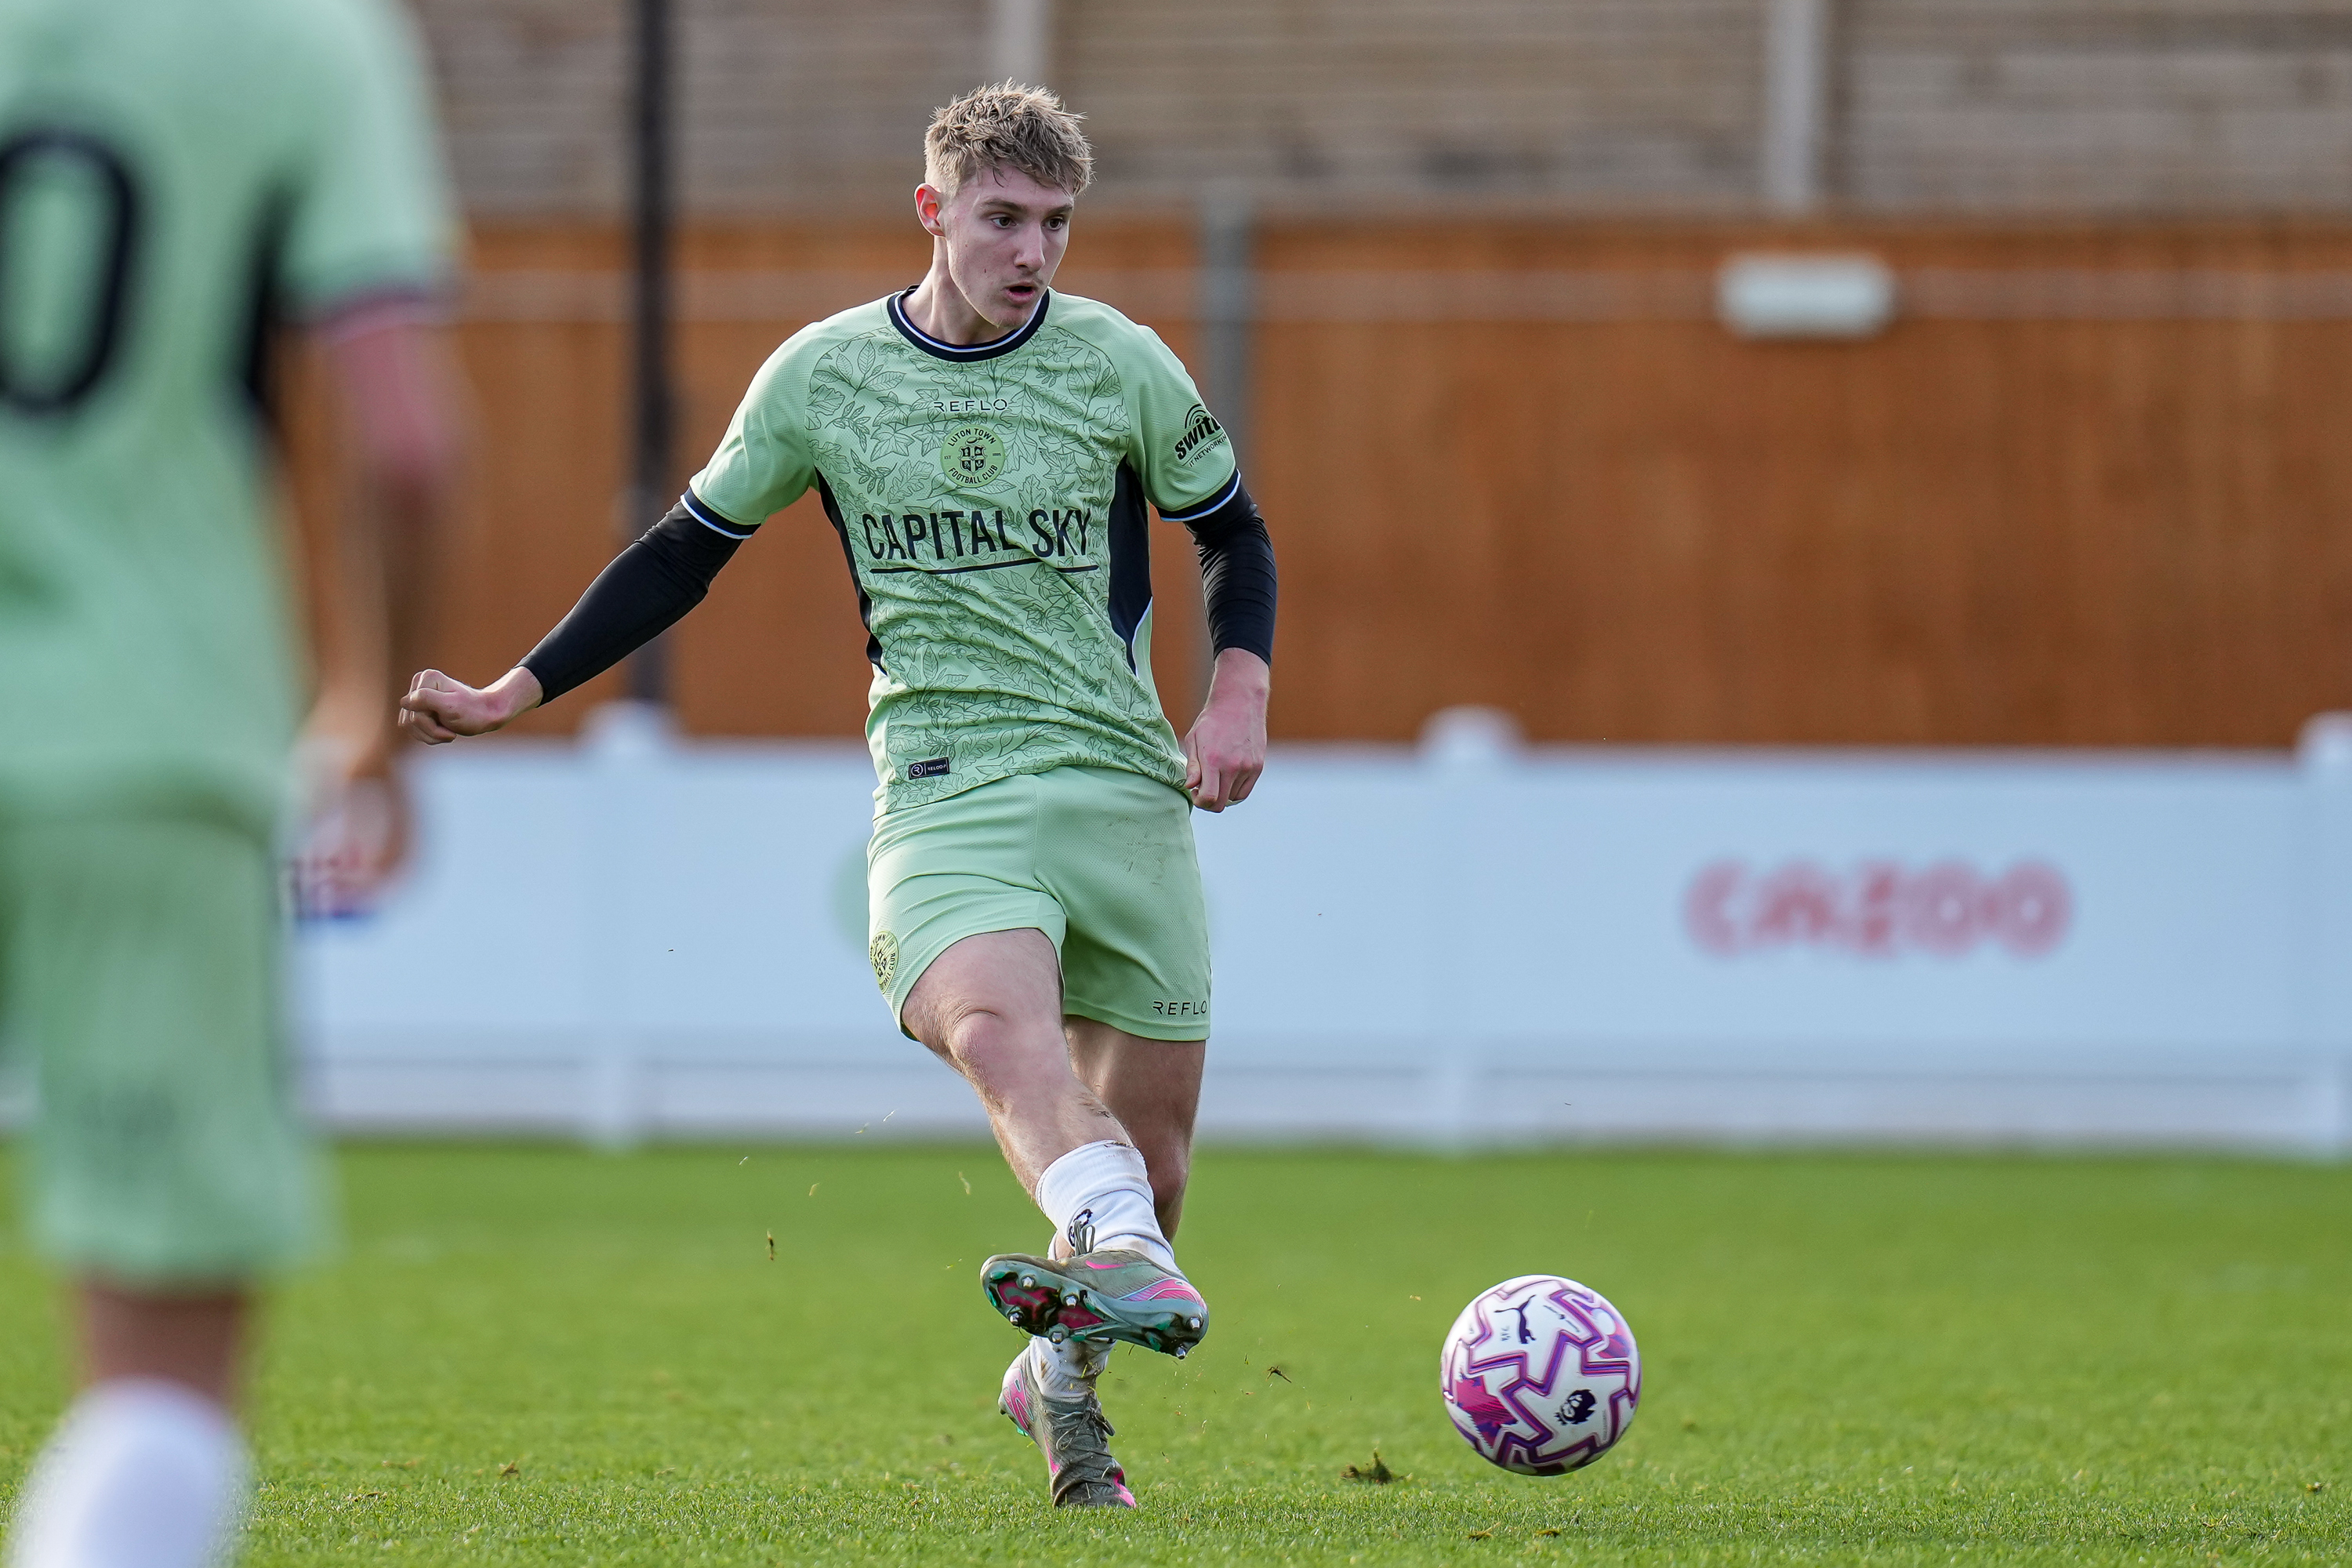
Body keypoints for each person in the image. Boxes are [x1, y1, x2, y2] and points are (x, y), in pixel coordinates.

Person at [399, 82, 1276, 1510]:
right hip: (945, 786)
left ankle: (1062, 1375)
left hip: (1123, 786)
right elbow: (685, 552)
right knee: (997, 1032)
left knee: (1157, 1159)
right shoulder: (822, 376)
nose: (1032, 252)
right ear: (934, 210)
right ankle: (1108, 1233)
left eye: (1056, 224)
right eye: (1003, 219)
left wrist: (1237, 688)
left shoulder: (1120, 363)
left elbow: (1230, 528)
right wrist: (519, 688)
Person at [0, 0, 459, 1563]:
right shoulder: (304, 41)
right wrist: (369, 714)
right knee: (159, 1385)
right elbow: (402, 440)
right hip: (149, 735)